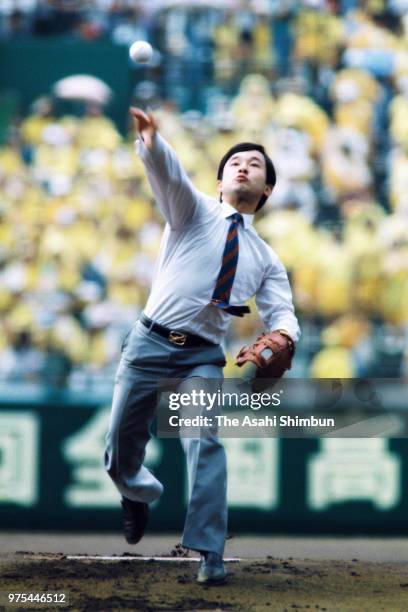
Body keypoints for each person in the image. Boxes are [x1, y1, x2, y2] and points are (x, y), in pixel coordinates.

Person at [104, 107, 300, 584]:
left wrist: (286, 336)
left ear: (267, 189)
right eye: (235, 162)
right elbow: (168, 175)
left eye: (254, 164)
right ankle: (137, 492)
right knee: (119, 447)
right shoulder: (191, 211)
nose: (243, 166)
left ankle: (209, 552)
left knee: (203, 440)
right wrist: (151, 141)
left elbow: (282, 313)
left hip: (202, 357)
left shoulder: (265, 258)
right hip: (149, 341)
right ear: (217, 182)